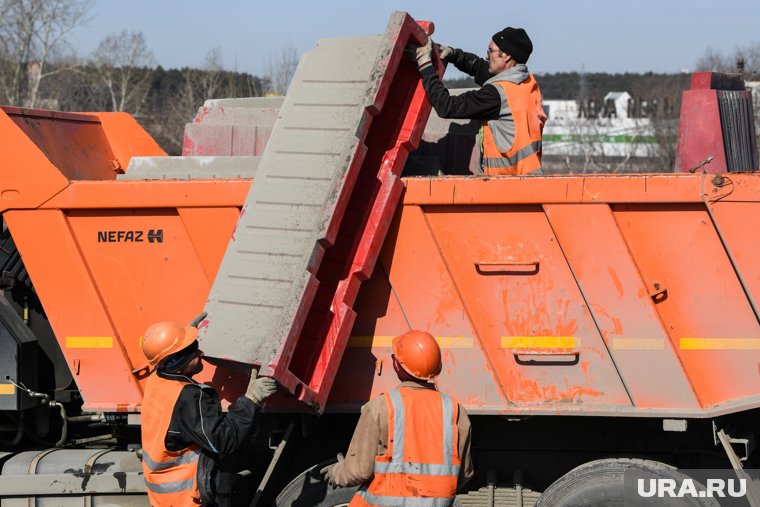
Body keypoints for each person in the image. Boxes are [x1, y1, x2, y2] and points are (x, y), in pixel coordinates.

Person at [321, 330, 473, 507]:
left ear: (397, 366)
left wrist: (336, 472)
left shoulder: (381, 407)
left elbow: (358, 471)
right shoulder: (455, 412)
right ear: (437, 368)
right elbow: (464, 474)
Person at [140, 315, 277, 507]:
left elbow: (164, 357)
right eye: (192, 352)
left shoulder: (158, 379)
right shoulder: (188, 398)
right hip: (187, 499)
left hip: (165, 496)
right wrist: (251, 399)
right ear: (176, 363)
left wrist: (181, 339)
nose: (201, 353)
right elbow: (223, 440)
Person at [408, 27, 546, 175]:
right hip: (529, 179)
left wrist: (425, 65)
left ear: (506, 56)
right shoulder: (526, 82)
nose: (487, 57)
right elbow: (480, 69)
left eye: (490, 51)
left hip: (508, 185)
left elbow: (447, 106)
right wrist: (452, 54)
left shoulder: (496, 95)